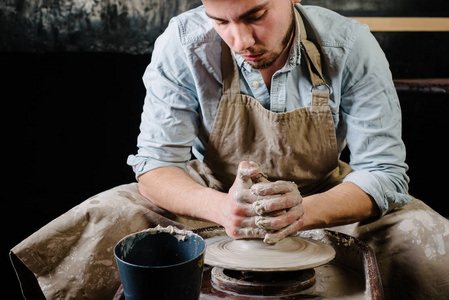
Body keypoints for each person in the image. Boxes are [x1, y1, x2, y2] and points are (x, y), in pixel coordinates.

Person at [11, 0, 449, 299]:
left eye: (255, 14)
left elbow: (383, 171)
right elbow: (158, 164)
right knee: (103, 217)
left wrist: (305, 211)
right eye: (220, 20)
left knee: (426, 237)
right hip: (210, 193)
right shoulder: (183, 43)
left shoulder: (349, 44)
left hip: (326, 193)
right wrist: (222, 209)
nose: (240, 41)